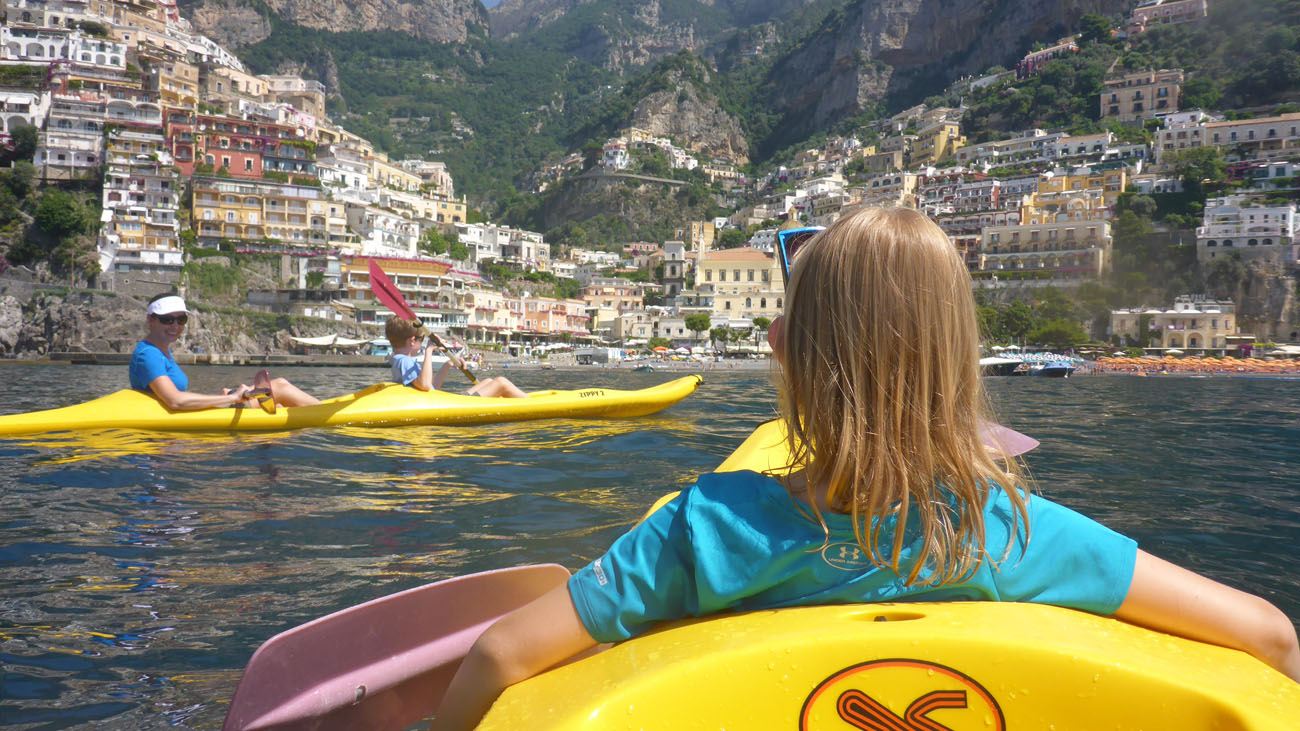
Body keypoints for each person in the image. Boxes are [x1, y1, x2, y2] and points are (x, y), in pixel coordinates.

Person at [430, 207, 1300, 729]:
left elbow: (502, 654)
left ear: (794, 356)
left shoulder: (705, 530)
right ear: (953, 365)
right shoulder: (1012, 532)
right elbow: (1269, 635)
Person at [130, 294, 320, 410]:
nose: (175, 325)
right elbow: (175, 401)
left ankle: (321, 410)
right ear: (151, 320)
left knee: (278, 399)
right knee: (280, 387)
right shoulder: (148, 354)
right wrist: (230, 398)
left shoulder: (161, 352)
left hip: (182, 413)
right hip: (176, 415)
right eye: (167, 320)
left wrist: (222, 395)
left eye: (181, 320)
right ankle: (331, 414)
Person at [385, 317, 526, 398]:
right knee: (501, 382)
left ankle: (516, 399)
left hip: (440, 401)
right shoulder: (405, 361)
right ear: (411, 341)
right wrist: (429, 351)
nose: (423, 342)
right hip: (444, 405)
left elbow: (432, 387)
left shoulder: (399, 360)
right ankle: (530, 404)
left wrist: (448, 364)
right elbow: (426, 386)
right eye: (421, 339)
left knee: (489, 381)